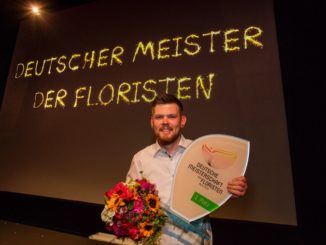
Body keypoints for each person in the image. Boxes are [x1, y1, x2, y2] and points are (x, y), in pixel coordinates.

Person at [127, 93, 248, 245]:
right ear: (152, 122)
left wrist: (233, 189)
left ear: (182, 121)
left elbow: (219, 185)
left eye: (171, 116)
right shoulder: (140, 159)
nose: (165, 122)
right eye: (159, 117)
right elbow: (130, 204)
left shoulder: (201, 152)